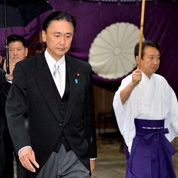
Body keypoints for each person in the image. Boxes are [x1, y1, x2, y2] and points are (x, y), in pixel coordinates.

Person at [6, 11, 97, 178]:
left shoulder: (82, 69)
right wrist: (23, 147)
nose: (62, 42)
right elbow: (14, 111)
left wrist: (91, 154)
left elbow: (87, 114)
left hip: (75, 155)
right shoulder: (26, 69)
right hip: (38, 156)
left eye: (68, 36)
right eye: (57, 35)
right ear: (44, 35)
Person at [113, 40, 178, 178]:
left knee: (162, 173)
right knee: (141, 174)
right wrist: (132, 84)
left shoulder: (162, 82)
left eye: (158, 57)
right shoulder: (129, 80)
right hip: (140, 138)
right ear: (138, 59)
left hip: (160, 137)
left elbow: (174, 111)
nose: (155, 62)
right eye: (151, 57)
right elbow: (119, 102)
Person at [0, 34, 28, 178]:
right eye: (11, 50)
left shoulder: (34, 71)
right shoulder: (1, 74)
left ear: (26, 51)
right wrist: (8, 79)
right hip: (5, 128)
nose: (15, 53)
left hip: (28, 127)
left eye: (18, 49)